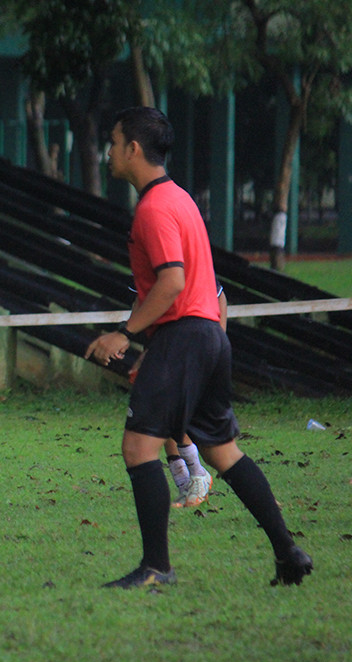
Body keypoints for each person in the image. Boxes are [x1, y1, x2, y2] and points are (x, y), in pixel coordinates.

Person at [85, 107, 312, 588]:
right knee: (222, 451)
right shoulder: (181, 200)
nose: (107, 152)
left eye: (113, 141)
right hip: (206, 335)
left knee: (138, 445)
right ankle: (288, 552)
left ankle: (156, 567)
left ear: (134, 149)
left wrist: (124, 334)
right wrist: (160, 348)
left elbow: (171, 283)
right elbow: (195, 289)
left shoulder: (153, 208)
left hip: (187, 335)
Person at [128, 287, 226, 509]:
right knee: (162, 416)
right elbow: (140, 299)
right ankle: (186, 483)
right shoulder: (145, 261)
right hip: (163, 343)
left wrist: (218, 340)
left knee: (176, 417)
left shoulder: (181, 260)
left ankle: (199, 475)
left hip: (188, 343)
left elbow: (219, 294)